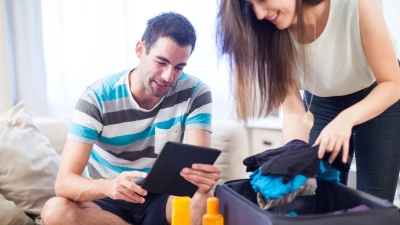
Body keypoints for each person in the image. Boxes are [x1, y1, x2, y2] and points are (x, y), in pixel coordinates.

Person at [41, 12, 220, 225]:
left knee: (203, 198)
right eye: (161, 62)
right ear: (140, 49)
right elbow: (64, 183)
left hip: (163, 198)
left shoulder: (195, 93)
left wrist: (202, 180)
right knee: (55, 210)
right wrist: (108, 186)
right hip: (108, 200)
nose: (168, 76)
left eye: (179, 67)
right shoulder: (96, 98)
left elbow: (194, 171)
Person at [216, 0, 400, 202]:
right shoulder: (267, 31)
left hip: (379, 92)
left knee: (374, 201)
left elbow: (393, 83)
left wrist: (346, 118)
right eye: (251, 5)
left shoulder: (356, 4)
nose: (259, 14)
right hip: (320, 100)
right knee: (320, 195)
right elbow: (294, 111)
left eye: (261, 0)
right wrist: (295, 164)